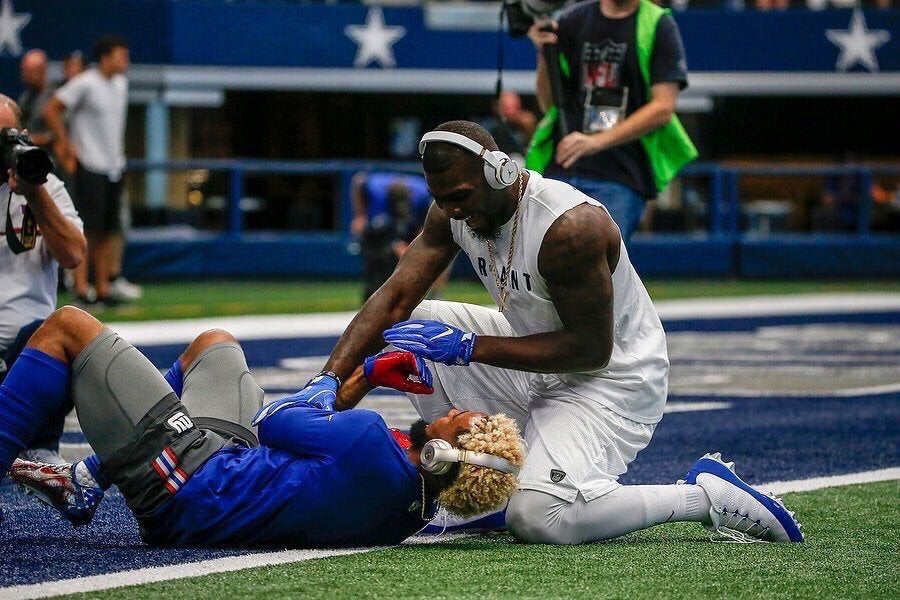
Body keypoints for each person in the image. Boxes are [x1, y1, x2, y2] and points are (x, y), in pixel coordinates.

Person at [317, 120, 803, 545]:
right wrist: (325, 387)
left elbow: (591, 350)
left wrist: (472, 347)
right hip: (535, 365)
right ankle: (485, 491)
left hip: (611, 382)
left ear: (500, 172)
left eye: (460, 197)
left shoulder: (569, 227)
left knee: (538, 518)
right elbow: (392, 299)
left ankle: (702, 496)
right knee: (414, 323)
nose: (453, 211)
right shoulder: (451, 209)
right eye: (441, 200)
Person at [1, 306, 525, 545]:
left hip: (187, 479)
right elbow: (325, 461)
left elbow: (273, 420)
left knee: (66, 326)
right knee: (217, 347)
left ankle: (95, 469)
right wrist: (362, 385)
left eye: (460, 423)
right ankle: (87, 480)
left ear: (445, 456)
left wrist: (353, 374)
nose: (452, 412)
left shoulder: (369, 442)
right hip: (220, 481)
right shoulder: (410, 513)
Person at [526, 0, 698, 241]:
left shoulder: (658, 24)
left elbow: (663, 107)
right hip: (564, 166)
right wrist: (544, 54)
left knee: (600, 266)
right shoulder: (573, 19)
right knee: (548, 263)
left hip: (621, 174)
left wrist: (595, 142)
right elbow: (549, 104)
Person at [0, 95, 86, 465]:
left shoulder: (45, 186)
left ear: (20, 135)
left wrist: (34, 194)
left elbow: (73, 254)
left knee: (63, 330)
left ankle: (41, 446)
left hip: (28, 355)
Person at [44, 34, 141, 307]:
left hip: (114, 165)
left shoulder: (121, 84)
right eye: (122, 55)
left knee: (109, 231)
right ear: (106, 57)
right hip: (90, 164)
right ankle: (81, 287)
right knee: (87, 229)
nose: (126, 61)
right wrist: (66, 145)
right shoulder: (85, 83)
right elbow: (53, 109)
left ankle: (103, 287)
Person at [350, 171, 435, 300]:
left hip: (406, 232)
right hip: (380, 240)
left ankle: (425, 294)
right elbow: (358, 180)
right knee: (380, 256)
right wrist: (360, 215)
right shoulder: (376, 191)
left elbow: (423, 229)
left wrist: (418, 247)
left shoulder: (421, 193)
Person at [483, 90, 538, 167]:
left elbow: (532, 147)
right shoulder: (493, 127)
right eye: (507, 108)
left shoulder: (525, 123)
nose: (511, 112)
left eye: (515, 107)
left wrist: (530, 128)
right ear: (497, 108)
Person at [17, 50, 55, 152]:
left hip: (51, 158)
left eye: (28, 71)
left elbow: (58, 134)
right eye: (23, 70)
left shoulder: (55, 99)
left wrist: (29, 138)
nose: (23, 75)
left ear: (42, 70)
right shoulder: (25, 97)